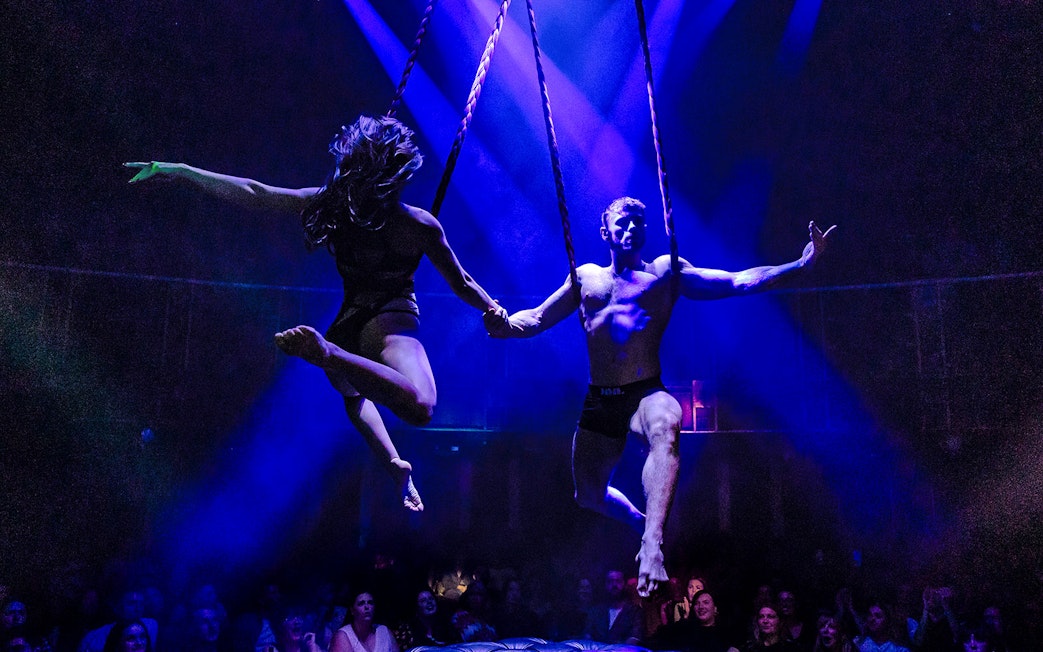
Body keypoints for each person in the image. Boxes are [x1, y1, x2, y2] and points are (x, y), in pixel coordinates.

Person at [126, 115, 508, 511]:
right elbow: (462, 282)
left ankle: (391, 458)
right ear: (398, 172)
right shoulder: (417, 224)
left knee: (355, 399)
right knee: (421, 405)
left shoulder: (331, 206)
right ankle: (333, 357)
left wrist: (183, 171)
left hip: (347, 323)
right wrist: (497, 312)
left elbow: (256, 192)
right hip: (389, 321)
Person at [485, 196, 835, 594]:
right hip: (601, 398)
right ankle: (640, 521)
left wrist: (800, 264)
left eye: (639, 222)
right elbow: (538, 317)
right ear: (605, 232)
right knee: (588, 495)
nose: (632, 228)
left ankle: (653, 542)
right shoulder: (585, 278)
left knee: (667, 422)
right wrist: (506, 325)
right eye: (624, 221)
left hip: (645, 391)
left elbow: (737, 281)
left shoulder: (664, 273)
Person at [331, 591, 397, 652]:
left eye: (370, 602)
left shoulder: (384, 631)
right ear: (352, 610)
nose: (367, 607)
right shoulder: (343, 635)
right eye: (361, 603)